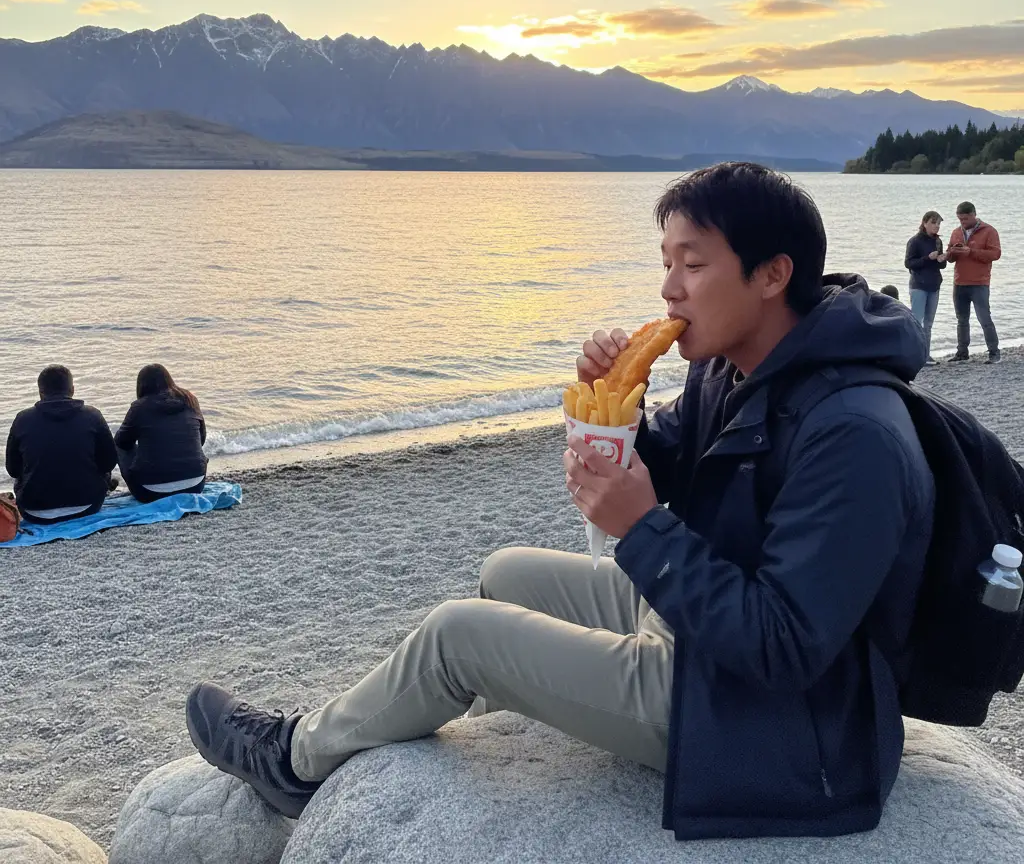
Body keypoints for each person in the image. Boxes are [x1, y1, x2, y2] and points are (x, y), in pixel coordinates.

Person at [183, 163, 934, 841]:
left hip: (771, 722)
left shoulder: (854, 432)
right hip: (703, 638)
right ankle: (499, 726)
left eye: (693, 264)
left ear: (772, 274)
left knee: (460, 634)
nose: (669, 289)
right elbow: (664, 461)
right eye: (666, 263)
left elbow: (784, 647)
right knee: (505, 572)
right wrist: (610, 406)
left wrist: (642, 526)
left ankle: (294, 760)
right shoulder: (734, 368)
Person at [4, 365, 118, 524]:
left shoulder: (22, 419)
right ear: (72, 390)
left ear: (40, 392)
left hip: (34, 511)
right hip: (87, 505)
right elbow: (109, 463)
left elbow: (13, 470)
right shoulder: (93, 415)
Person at [115, 364, 208, 503]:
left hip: (150, 492)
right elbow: (201, 438)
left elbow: (122, 442)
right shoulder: (190, 399)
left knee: (119, 445)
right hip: (196, 484)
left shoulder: (139, 407)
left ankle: (105, 482)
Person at [946, 201, 1001, 363]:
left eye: (965, 219)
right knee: (961, 320)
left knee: (984, 318)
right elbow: (950, 258)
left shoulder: (989, 231)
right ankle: (962, 352)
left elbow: (995, 254)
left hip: (979, 282)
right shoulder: (956, 232)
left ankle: (994, 353)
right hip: (959, 282)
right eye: (959, 219)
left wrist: (971, 252)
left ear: (973, 215)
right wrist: (951, 252)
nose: (962, 222)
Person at [904, 210, 947, 365]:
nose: (937, 226)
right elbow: (908, 263)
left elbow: (941, 266)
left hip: (934, 285)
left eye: (939, 223)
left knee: (928, 323)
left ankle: (926, 355)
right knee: (917, 321)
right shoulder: (914, 241)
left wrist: (942, 260)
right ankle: (915, 355)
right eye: (933, 223)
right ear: (924, 223)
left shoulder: (938, 241)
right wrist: (927, 258)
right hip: (918, 285)